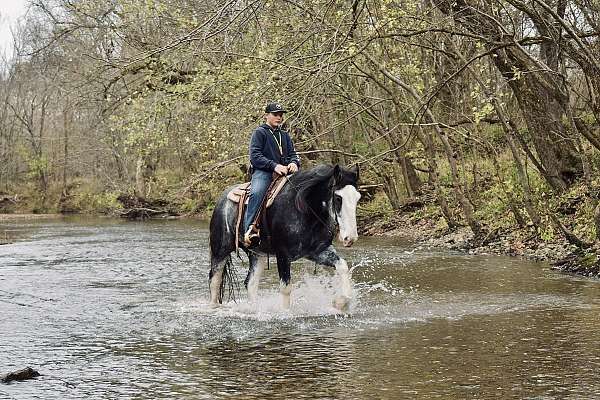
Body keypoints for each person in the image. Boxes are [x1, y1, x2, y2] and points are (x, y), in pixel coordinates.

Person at [243, 102, 300, 246]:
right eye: (275, 114)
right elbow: (255, 156)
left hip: (285, 173)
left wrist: (294, 163)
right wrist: (274, 165)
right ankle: (250, 229)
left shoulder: (284, 135)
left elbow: (293, 154)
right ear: (266, 116)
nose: (279, 117)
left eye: (280, 115)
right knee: (256, 193)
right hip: (264, 172)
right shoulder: (259, 132)